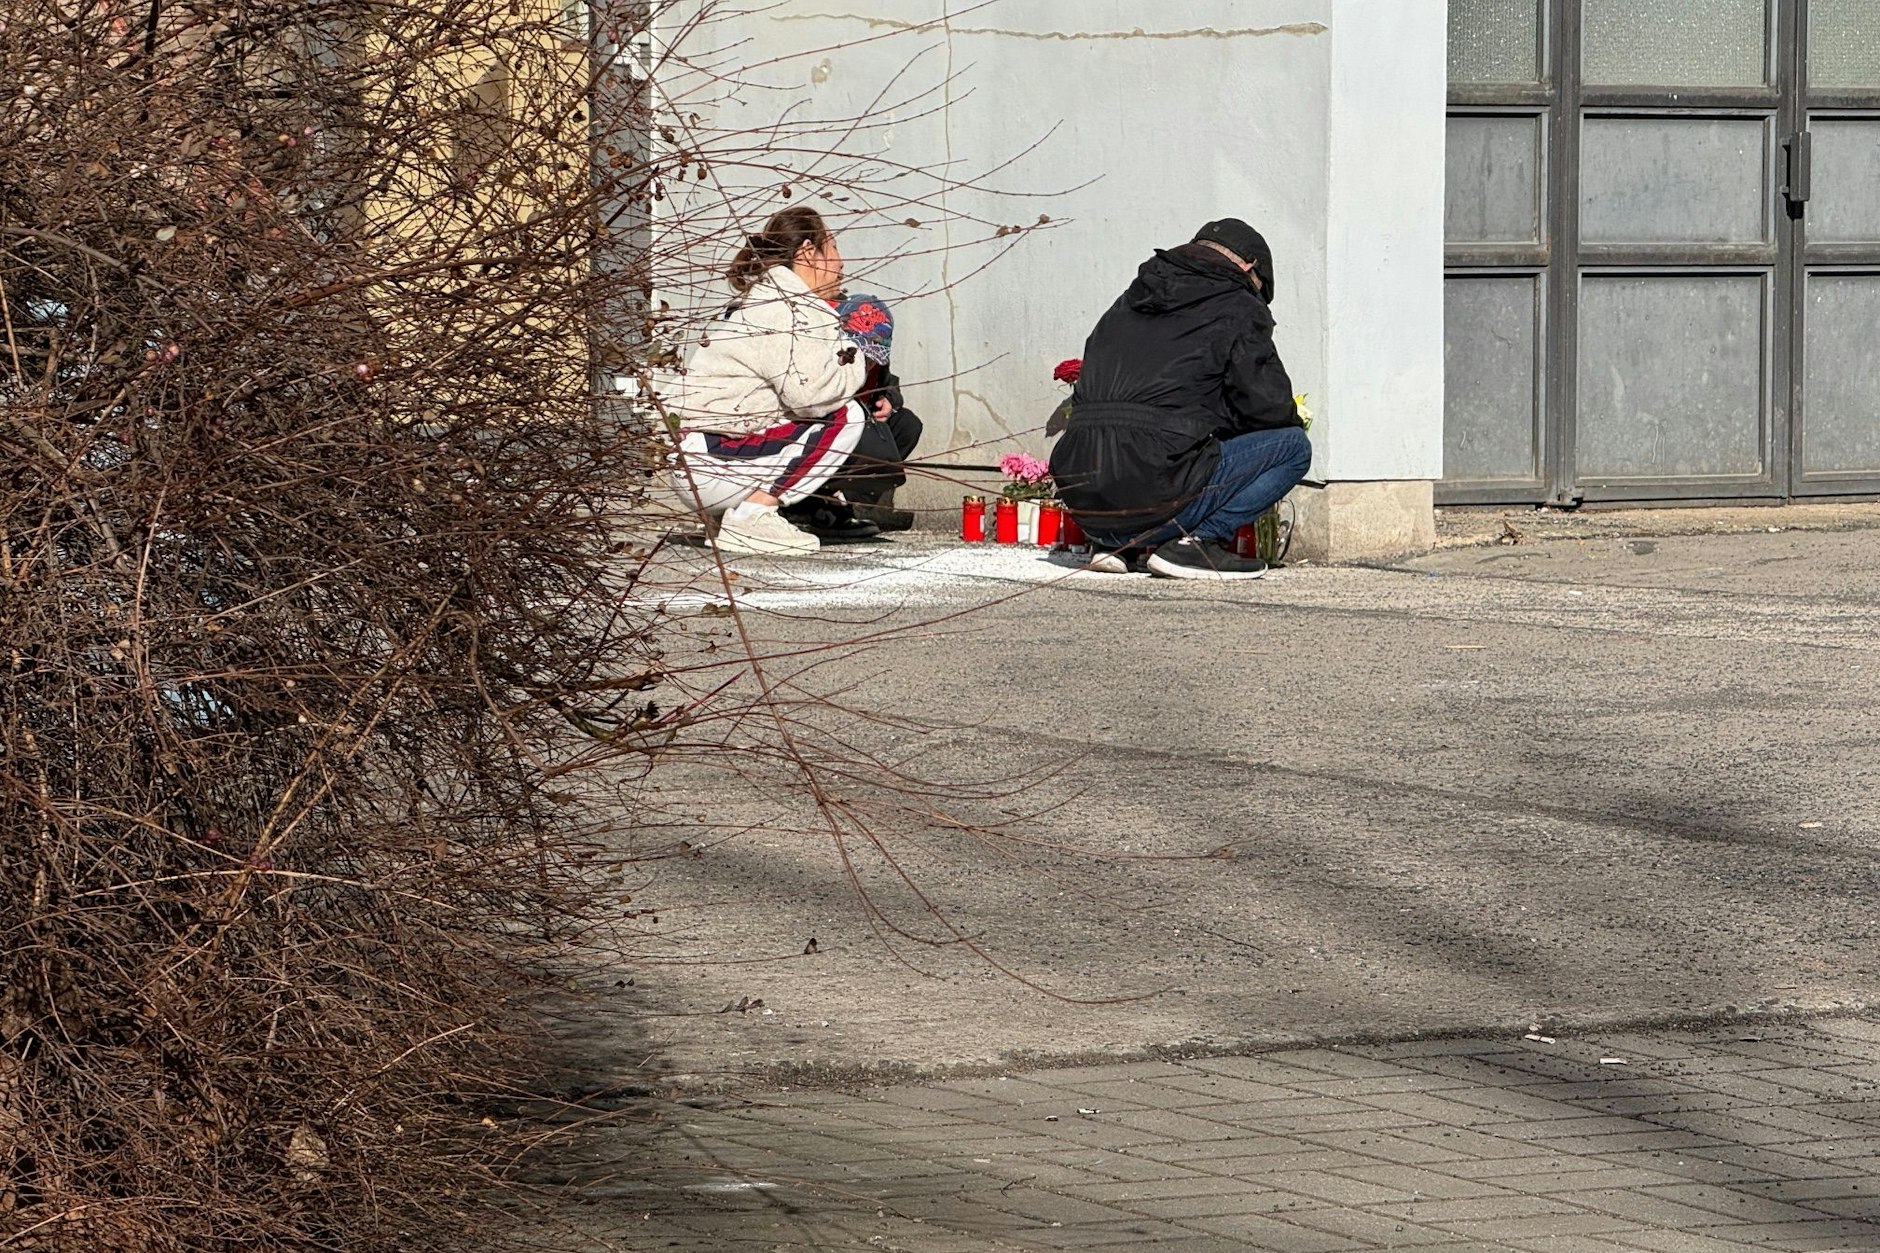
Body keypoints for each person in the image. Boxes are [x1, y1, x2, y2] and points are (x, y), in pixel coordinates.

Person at [1048, 218, 1313, 580]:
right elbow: (1266, 406)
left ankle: (1116, 546)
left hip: (1088, 504)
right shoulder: (1237, 304)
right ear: (1249, 267)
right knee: (1293, 447)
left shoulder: (1129, 300)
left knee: (1147, 430)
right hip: (1154, 495)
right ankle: (1196, 545)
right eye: (1259, 288)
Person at [662, 206, 875, 556]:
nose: (841, 261)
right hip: (709, 462)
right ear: (808, 252)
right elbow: (813, 397)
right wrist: (860, 352)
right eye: (834, 246)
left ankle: (730, 516)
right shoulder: (786, 308)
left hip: (698, 459)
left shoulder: (773, 298)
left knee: (819, 416)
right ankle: (753, 516)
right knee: (846, 415)